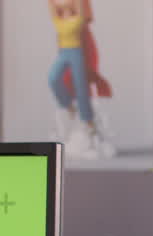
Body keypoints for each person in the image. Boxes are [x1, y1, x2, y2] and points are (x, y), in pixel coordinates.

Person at [46, 0, 114, 159]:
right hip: (64, 54)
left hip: (76, 52)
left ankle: (89, 123)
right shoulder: (58, 20)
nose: (66, 10)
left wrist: (72, 6)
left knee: (81, 88)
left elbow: (79, 7)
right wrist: (57, 5)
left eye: (69, 8)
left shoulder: (78, 21)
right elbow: (52, 6)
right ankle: (69, 106)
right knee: (53, 78)